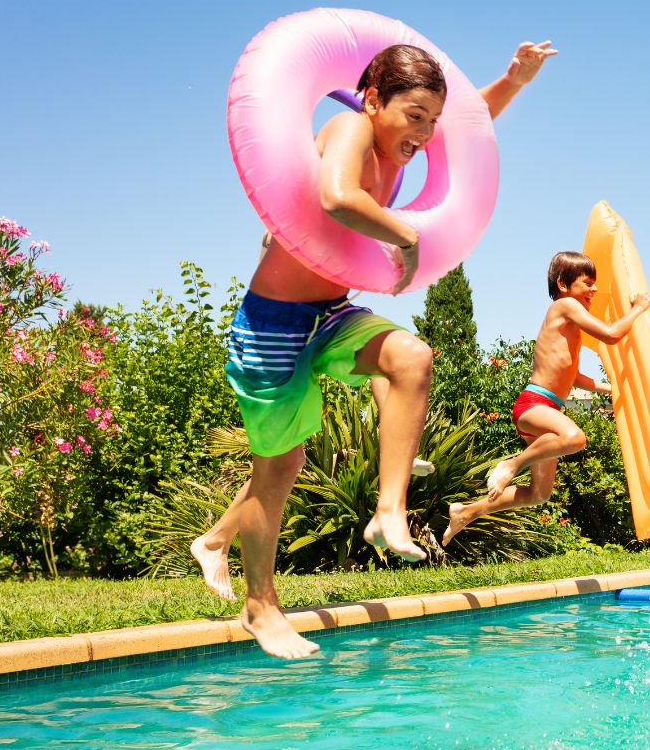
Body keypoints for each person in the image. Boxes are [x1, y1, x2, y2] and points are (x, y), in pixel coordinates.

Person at [192, 39, 557, 659]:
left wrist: (513, 81)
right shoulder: (350, 130)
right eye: (414, 115)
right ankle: (259, 604)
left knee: (410, 357)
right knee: (280, 467)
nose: (425, 132)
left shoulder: (401, 145)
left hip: (330, 313)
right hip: (273, 323)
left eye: (431, 119)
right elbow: (337, 197)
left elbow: (468, 130)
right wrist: (405, 236)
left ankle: (389, 510)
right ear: (372, 100)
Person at [442, 251, 650, 545]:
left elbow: (574, 376)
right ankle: (511, 465)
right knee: (575, 438)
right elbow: (611, 334)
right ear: (564, 285)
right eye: (587, 283)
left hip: (547, 408)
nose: (594, 289)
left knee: (538, 494)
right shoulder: (566, 306)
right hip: (534, 404)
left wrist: (613, 389)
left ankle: (466, 512)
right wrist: (638, 309)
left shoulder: (570, 322)